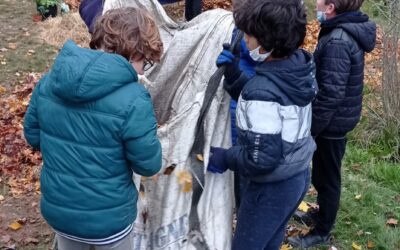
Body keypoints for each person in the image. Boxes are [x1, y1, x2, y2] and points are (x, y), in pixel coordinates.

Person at [23, 7, 163, 250]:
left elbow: (32, 136)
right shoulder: (134, 99)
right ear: (133, 55)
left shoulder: (50, 81)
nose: (142, 70)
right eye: (145, 62)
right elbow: (148, 165)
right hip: (109, 221)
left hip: (59, 212)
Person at [207, 0, 317, 249]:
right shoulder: (299, 68)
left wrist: (226, 158)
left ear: (268, 41)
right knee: (270, 240)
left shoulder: (263, 90)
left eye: (249, 35)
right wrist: (234, 75)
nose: (245, 40)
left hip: (270, 188)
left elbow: (260, 159)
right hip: (297, 175)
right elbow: (272, 104)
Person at [288, 0, 376, 248]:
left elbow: (331, 94)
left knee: (328, 177)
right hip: (335, 119)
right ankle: (320, 214)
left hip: (332, 123)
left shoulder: (338, 39)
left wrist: (311, 127)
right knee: (323, 172)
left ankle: (323, 230)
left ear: (330, 8)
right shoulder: (340, 30)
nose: (315, 4)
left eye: (320, 2)